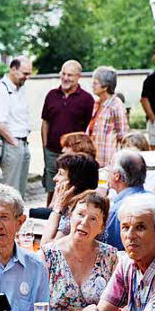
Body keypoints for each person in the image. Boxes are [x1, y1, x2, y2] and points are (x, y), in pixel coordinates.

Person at [42, 191, 118, 311]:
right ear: (70, 216)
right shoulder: (48, 254)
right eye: (80, 214)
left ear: (102, 228)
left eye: (93, 218)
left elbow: (119, 305)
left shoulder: (110, 256)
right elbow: (37, 306)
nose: (84, 222)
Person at [41, 60, 94, 204]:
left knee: (73, 186)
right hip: (52, 151)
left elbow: (90, 128)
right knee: (52, 186)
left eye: (70, 75)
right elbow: (45, 122)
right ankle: (49, 213)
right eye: (63, 74)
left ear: (78, 77)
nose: (65, 78)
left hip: (74, 153)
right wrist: (45, 145)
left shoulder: (87, 99)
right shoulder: (51, 95)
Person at [0, 56, 33, 197]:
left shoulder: (19, 89)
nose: (27, 77)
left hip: (23, 142)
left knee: (20, 189)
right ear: (13, 69)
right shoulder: (1, 89)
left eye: (29, 74)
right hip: (11, 143)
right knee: (9, 190)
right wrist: (14, 143)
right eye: (24, 73)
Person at [102, 150, 155, 251]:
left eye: (110, 165)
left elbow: (110, 248)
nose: (107, 170)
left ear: (117, 176)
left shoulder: (119, 210)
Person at [39, 152, 100, 245]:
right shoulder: (77, 203)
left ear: (74, 181)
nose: (55, 178)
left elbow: (46, 247)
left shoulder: (81, 210)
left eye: (61, 173)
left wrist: (57, 208)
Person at [87, 66, 129, 169]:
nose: (92, 85)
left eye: (95, 83)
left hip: (109, 160)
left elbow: (123, 135)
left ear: (105, 87)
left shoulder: (116, 105)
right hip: (94, 158)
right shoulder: (96, 103)